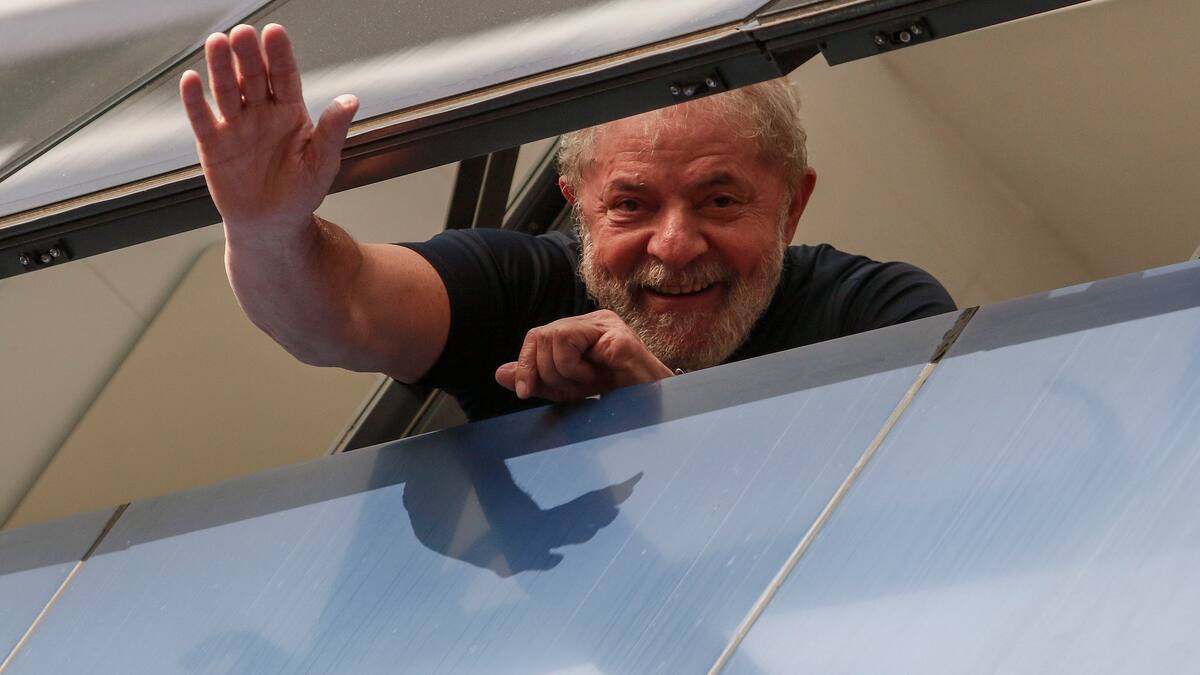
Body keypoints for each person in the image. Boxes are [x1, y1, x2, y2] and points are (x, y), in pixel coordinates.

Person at [179, 24, 955, 421]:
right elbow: (336, 310)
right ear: (578, 206)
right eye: (631, 204)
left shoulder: (879, 317)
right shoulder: (521, 287)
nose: (674, 244)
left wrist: (663, 409)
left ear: (792, 206)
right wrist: (266, 226)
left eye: (720, 201)